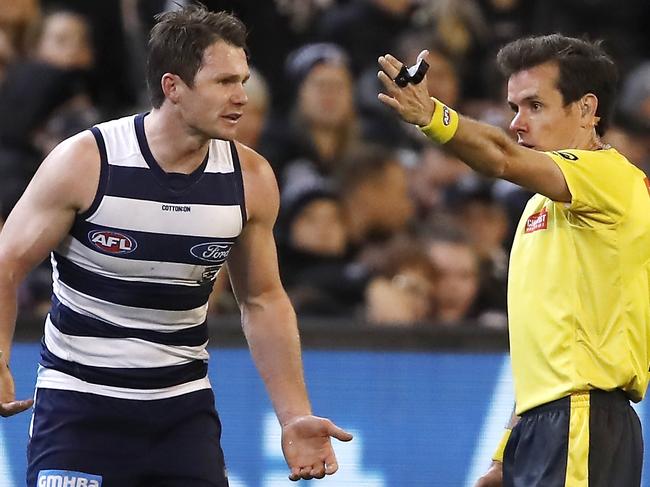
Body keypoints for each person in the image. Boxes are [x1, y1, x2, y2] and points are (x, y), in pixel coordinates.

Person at [0, 5, 352, 487]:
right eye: (225, 82)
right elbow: (6, 262)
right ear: (173, 87)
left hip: (181, 416)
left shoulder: (249, 179)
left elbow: (263, 299)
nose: (242, 98)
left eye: (243, 81)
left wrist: (293, 416)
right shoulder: (86, 162)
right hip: (80, 410)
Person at [378, 34, 650, 486]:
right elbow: (547, 352)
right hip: (548, 422)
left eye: (535, 106)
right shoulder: (541, 206)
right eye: (513, 108)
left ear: (586, 110)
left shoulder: (612, 178)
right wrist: (508, 452)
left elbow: (502, 158)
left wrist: (432, 116)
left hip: (582, 421)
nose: (518, 124)